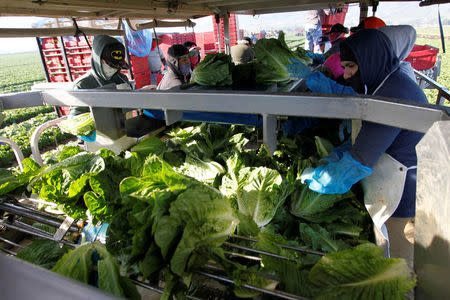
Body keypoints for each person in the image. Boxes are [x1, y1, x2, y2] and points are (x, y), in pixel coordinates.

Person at [294, 29, 428, 267]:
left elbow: (359, 162)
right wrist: (340, 151)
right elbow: (370, 134)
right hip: (392, 179)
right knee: (388, 254)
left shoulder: (392, 96)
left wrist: (320, 177)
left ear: (369, 61)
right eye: (344, 67)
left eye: (350, 67)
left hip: (404, 192)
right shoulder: (384, 81)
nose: (345, 75)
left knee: (400, 263)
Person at [70, 35, 131, 116]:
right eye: (110, 65)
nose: (113, 69)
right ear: (97, 60)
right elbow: (76, 118)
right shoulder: (83, 85)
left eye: (118, 66)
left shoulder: (122, 78)